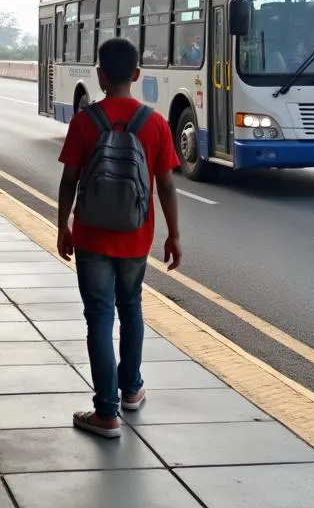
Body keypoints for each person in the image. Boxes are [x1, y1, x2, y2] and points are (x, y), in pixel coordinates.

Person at [55, 37, 182, 439]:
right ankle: (131, 390)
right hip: (136, 237)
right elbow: (166, 185)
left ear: (100, 74)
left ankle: (105, 412)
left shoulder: (84, 121)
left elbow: (69, 180)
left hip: (92, 235)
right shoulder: (156, 122)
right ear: (138, 75)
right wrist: (174, 235)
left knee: (98, 317)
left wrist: (62, 225)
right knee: (131, 308)